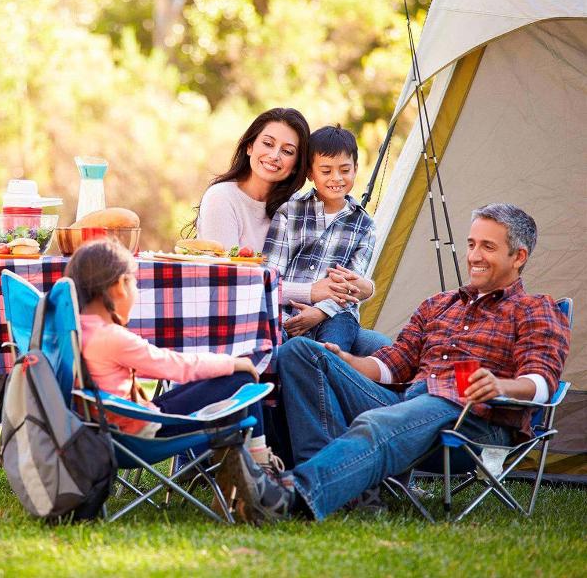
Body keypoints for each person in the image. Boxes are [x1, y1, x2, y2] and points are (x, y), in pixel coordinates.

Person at [272, 203, 570, 520]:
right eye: (471, 244)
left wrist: (500, 385)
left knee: (379, 422)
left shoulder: (536, 309)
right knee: (300, 352)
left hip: (471, 419)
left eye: (488, 247)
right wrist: (346, 361)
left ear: (518, 257)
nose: (475, 256)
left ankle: (288, 494)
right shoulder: (438, 304)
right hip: (407, 402)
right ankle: (345, 492)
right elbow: (394, 363)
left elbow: (542, 381)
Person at [64, 239, 293, 522]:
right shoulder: (110, 338)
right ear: (119, 285)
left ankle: (244, 479)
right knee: (241, 376)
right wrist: (232, 362)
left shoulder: (76, 329)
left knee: (226, 380)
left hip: (110, 427)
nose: (136, 292)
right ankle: (259, 478)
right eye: (135, 284)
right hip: (136, 435)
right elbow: (173, 366)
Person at [264, 124, 382, 352]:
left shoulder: (364, 226)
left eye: (345, 170)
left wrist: (319, 312)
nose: (336, 178)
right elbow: (270, 275)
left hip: (336, 315)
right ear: (310, 172)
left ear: (356, 168)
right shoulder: (290, 212)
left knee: (330, 355)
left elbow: (352, 286)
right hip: (286, 312)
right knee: (282, 353)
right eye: (326, 171)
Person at [187, 107, 310, 253]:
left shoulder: (299, 207)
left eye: (287, 151)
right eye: (268, 144)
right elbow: (228, 270)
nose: (274, 155)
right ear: (249, 147)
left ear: (297, 165)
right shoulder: (221, 197)